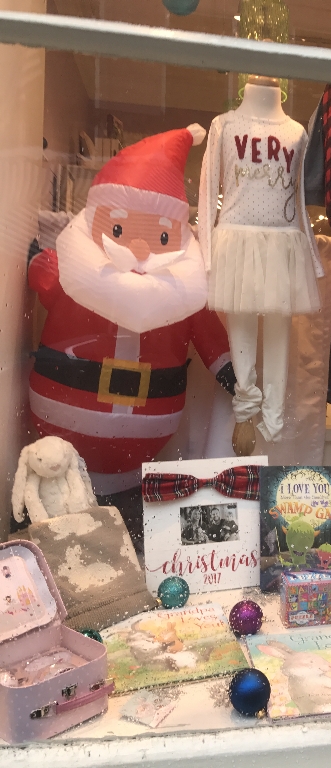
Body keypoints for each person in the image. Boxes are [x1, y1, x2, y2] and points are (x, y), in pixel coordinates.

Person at [27, 125, 236, 548]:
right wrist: (40, 265)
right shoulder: (76, 272)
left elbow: (208, 333)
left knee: (126, 540)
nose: (141, 249)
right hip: (61, 464)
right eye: (120, 230)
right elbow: (45, 277)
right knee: (68, 542)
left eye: (162, 237)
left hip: (137, 466)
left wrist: (231, 372)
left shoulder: (184, 297)